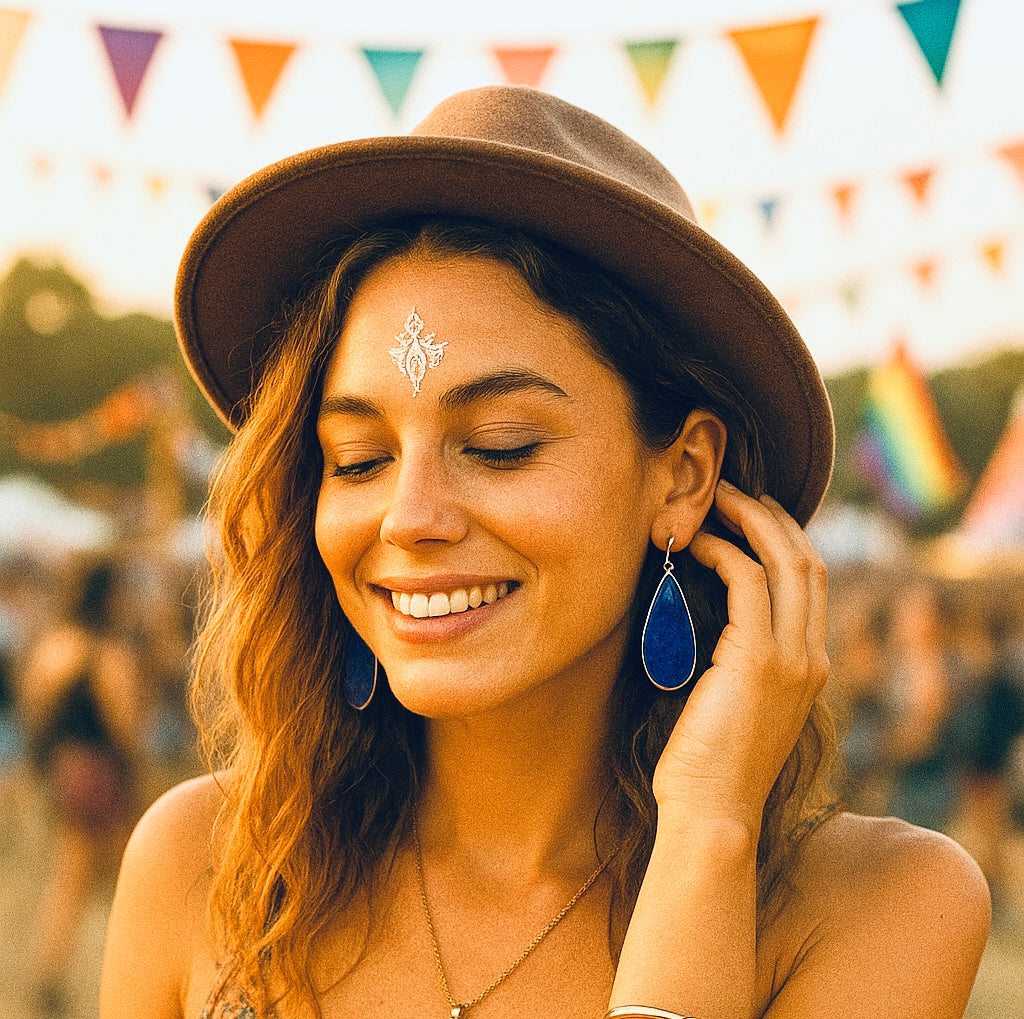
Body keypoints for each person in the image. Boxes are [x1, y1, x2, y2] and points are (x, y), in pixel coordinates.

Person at [99, 86, 989, 1019]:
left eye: (500, 445)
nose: (408, 518)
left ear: (683, 475)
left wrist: (708, 825)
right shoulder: (201, 865)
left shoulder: (880, 906)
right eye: (357, 458)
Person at [21, 557, 144, 1015]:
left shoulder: (55, 646)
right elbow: (125, 725)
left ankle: (51, 972)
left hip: (64, 769)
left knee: (73, 876)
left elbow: (34, 710)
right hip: (101, 771)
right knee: (127, 874)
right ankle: (131, 973)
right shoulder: (107, 652)